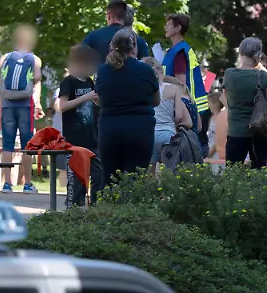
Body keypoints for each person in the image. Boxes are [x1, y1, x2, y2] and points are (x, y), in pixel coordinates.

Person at [94, 28, 159, 188]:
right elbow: (156, 101)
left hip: (110, 131)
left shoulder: (103, 70)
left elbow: (101, 100)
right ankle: (133, 212)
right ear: (134, 46)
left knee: (110, 179)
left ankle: (107, 212)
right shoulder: (145, 70)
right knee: (136, 181)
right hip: (140, 130)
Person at [0, 24, 44, 193]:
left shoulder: (6, 57)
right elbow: (36, 78)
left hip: (7, 105)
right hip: (25, 106)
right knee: (27, 145)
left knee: (7, 144)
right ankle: (27, 184)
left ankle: (7, 184)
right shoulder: (34, 59)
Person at [57, 46, 101, 204]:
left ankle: (96, 207)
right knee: (76, 178)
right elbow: (63, 106)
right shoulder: (68, 82)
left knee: (98, 174)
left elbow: (95, 103)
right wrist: (85, 97)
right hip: (74, 138)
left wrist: (96, 100)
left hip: (91, 136)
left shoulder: (89, 82)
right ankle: (74, 207)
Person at [163, 13, 210, 143]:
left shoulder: (179, 52)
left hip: (187, 108)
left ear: (178, 28)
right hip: (192, 107)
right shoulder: (180, 50)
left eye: (168, 25)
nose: (165, 28)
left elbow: (180, 83)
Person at [222, 37, 267, 168]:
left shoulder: (229, 74)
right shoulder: (263, 77)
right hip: (259, 132)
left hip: (235, 131)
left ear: (240, 53)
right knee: (259, 173)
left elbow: (226, 97)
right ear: (258, 55)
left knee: (232, 173)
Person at [147, 57, 194, 170]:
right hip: (168, 133)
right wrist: (174, 123)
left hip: (150, 134)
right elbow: (178, 115)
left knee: (150, 171)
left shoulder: (145, 89)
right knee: (169, 169)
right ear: (161, 71)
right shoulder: (173, 89)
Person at [82, 0, 150, 61]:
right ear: (125, 15)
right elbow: (147, 64)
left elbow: (79, 57)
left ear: (108, 15)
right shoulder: (138, 40)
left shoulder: (92, 37)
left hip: (101, 73)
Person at [206, 90, 227, 171]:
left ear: (215, 104)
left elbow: (218, 138)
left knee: (217, 171)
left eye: (210, 103)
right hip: (210, 147)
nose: (209, 105)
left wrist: (210, 153)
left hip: (216, 151)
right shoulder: (212, 117)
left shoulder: (219, 118)